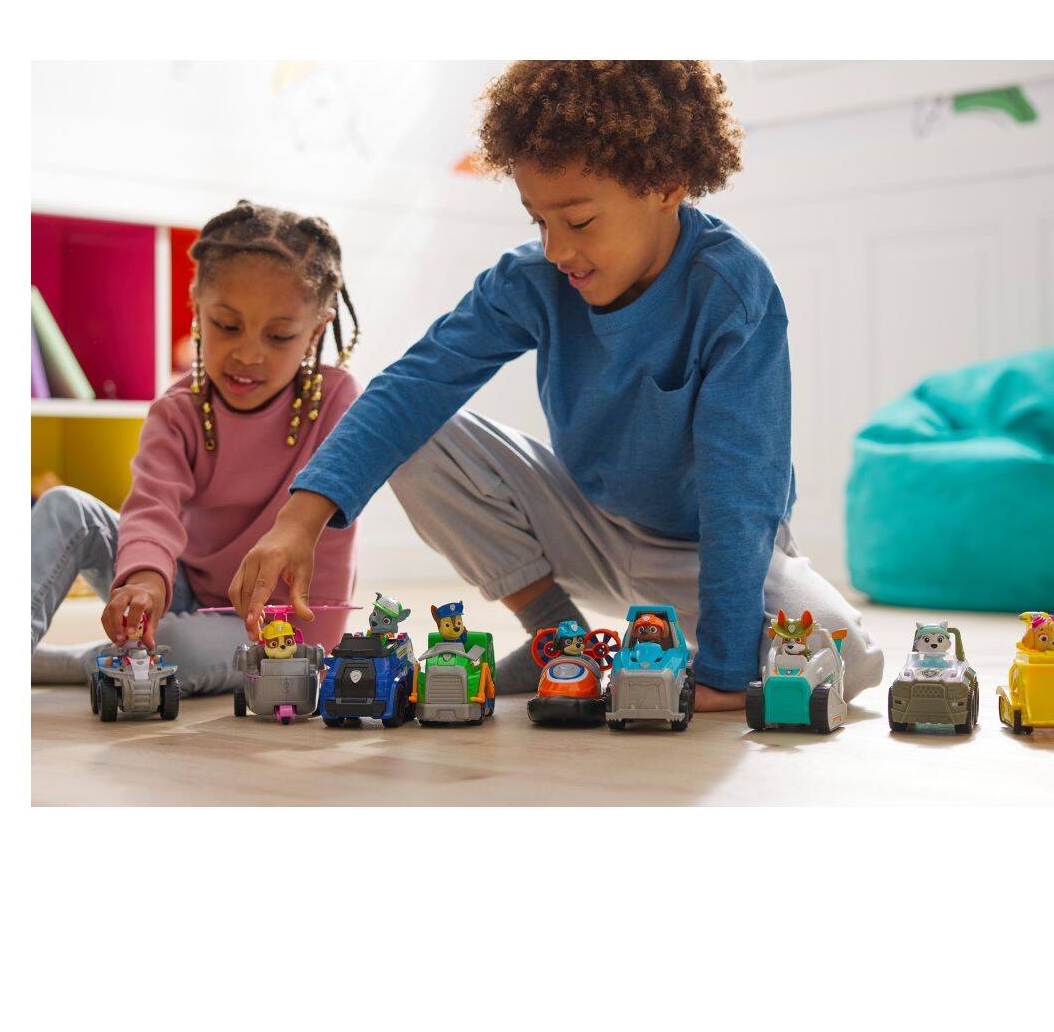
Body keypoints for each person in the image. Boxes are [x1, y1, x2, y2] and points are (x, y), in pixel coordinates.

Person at [232, 62, 882, 710]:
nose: (555, 249)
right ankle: (559, 638)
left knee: (846, 659)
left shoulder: (731, 290)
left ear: (667, 185)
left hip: (709, 551)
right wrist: (299, 520)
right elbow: (415, 383)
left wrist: (724, 671)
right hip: (587, 525)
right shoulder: (532, 280)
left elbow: (742, 492)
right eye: (538, 221)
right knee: (418, 431)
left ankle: (671, 653)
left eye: (579, 221)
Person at [31, 200, 360, 695]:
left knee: (176, 648)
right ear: (197, 308)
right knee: (64, 506)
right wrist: (145, 580)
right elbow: (152, 507)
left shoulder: (337, 401)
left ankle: (84, 662)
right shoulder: (179, 409)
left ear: (315, 330)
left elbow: (329, 530)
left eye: (279, 336)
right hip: (182, 593)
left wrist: (305, 645)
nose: (248, 353)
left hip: (280, 632)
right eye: (227, 326)